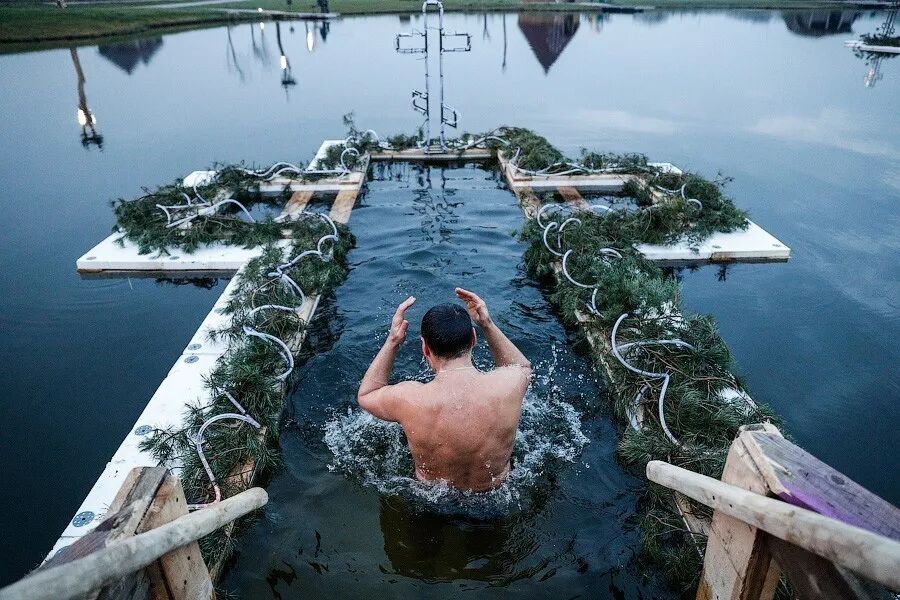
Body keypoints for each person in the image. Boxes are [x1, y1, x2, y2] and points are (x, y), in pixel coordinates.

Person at [357, 288, 532, 492]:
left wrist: (393, 341)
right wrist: (487, 324)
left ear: (425, 348)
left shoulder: (408, 398)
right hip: (497, 495)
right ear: (474, 338)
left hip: (432, 499)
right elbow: (522, 366)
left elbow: (367, 394)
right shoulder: (508, 384)